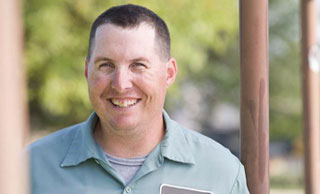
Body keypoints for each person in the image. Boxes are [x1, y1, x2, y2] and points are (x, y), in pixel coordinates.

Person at [29, 4, 249, 194]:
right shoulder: (30, 168)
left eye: (138, 66)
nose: (121, 83)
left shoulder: (221, 172)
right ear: (87, 71)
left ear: (169, 73)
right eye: (106, 65)